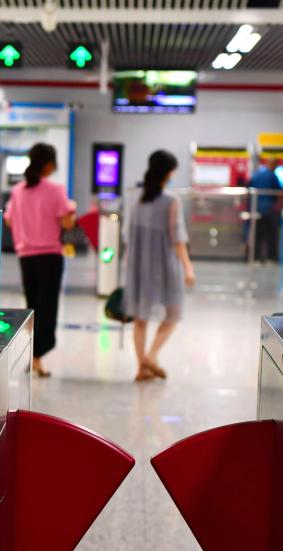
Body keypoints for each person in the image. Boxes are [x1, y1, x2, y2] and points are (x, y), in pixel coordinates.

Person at [122, 150, 196, 382]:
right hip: (163, 265)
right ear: (168, 172)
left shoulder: (135, 198)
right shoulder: (171, 200)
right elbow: (177, 237)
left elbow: (127, 235)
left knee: (140, 318)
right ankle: (151, 357)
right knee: (174, 312)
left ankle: (141, 368)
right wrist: (188, 267)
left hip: (138, 265)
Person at [4, 143, 76, 377]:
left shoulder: (18, 191)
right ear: (48, 164)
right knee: (48, 307)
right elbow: (67, 223)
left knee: (32, 306)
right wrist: (71, 210)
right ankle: (37, 356)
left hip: (26, 256)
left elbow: (9, 220)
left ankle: (31, 357)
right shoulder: (56, 190)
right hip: (49, 256)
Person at [247, 158, 283, 262]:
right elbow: (279, 193)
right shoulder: (272, 176)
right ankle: (270, 258)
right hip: (269, 211)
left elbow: (249, 189)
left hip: (256, 209)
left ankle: (256, 258)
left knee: (257, 235)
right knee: (271, 235)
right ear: (274, 165)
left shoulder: (256, 175)